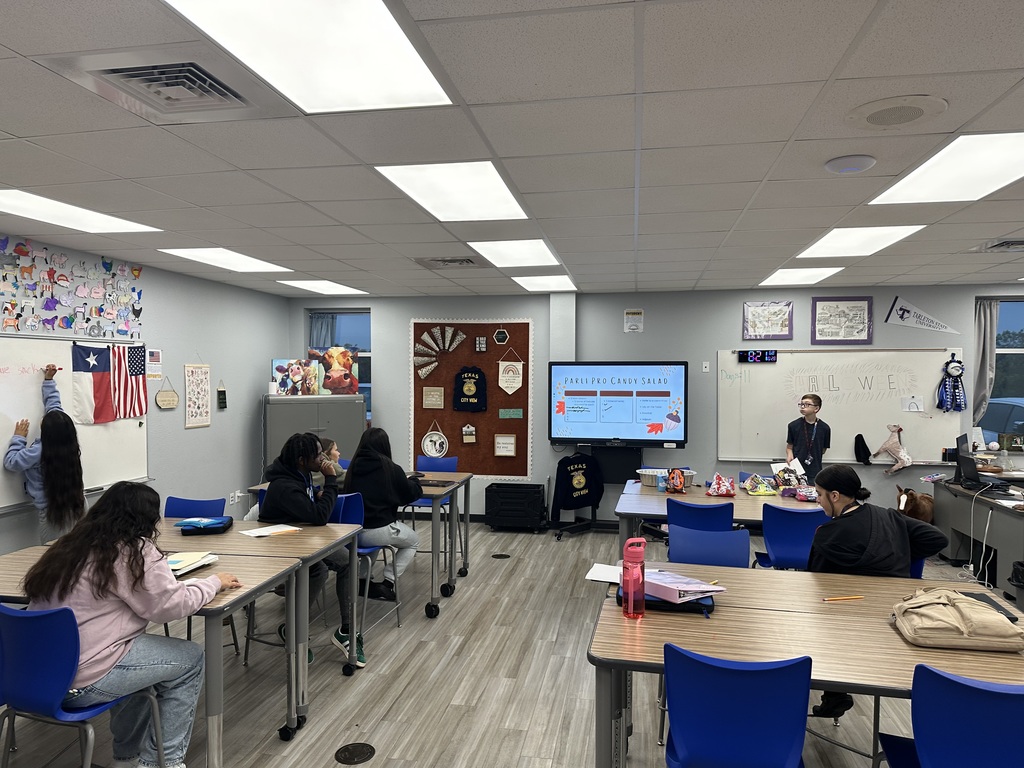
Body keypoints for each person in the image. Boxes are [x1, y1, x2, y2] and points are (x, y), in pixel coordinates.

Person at [23, 481, 241, 768]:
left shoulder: (69, 545)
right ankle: (162, 762)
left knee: (136, 658)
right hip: (79, 680)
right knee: (191, 659)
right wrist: (213, 583)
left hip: (31, 677)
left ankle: (127, 759)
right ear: (147, 519)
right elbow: (169, 606)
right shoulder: (133, 551)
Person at [806, 464, 948, 719]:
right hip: (898, 610)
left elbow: (816, 580)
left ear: (835, 496)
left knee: (821, 617)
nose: (817, 501)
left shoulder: (828, 534)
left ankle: (834, 692)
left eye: (819, 494)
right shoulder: (889, 516)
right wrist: (900, 551)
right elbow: (938, 539)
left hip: (852, 615)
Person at [258, 432, 354, 665]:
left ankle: (347, 628)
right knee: (318, 570)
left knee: (347, 560)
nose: (323, 459)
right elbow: (320, 517)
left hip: (300, 537)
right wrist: (330, 480)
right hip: (278, 545)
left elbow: (311, 513)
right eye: (317, 455)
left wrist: (318, 497)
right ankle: (293, 631)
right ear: (302, 460)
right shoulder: (285, 485)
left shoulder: (300, 475)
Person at [3, 363, 86, 544]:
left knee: (53, 558)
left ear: (46, 432)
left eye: (42, 422)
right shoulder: (68, 440)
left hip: (53, 514)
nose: (41, 419)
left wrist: (19, 438)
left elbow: (11, 462)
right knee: (78, 551)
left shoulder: (39, 451)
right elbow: (54, 407)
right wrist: (49, 381)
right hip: (77, 504)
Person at [343, 428, 422, 602]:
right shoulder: (390, 468)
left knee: (373, 542)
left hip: (353, 533)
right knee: (413, 541)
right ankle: (388, 582)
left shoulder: (351, 468)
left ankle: (362, 582)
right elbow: (408, 495)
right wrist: (415, 482)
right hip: (378, 530)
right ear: (385, 445)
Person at [785, 393, 830, 485]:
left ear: (816, 409)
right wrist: (789, 455)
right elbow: (790, 446)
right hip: (796, 470)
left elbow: (823, 449)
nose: (802, 407)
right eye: (801, 404)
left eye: (807, 404)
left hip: (815, 471)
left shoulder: (825, 428)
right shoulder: (793, 425)